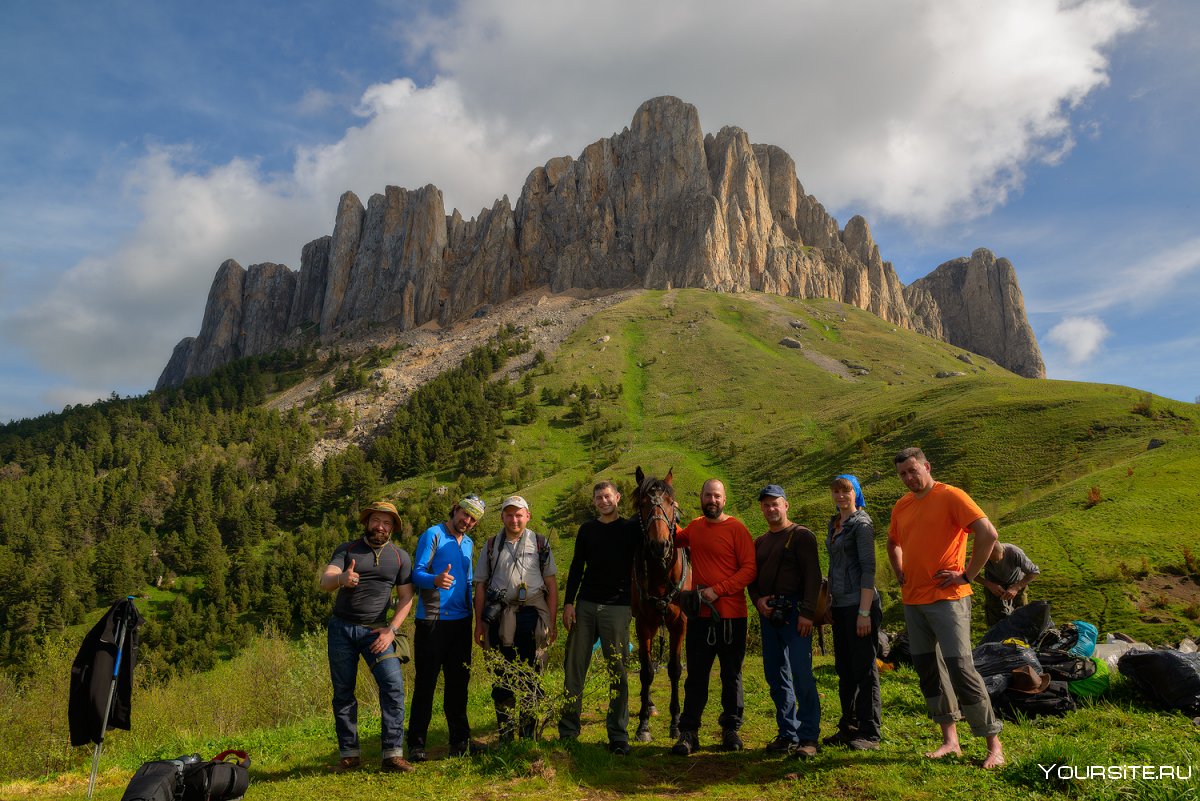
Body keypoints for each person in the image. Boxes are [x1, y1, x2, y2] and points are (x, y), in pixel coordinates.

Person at [887, 448, 1004, 769]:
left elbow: (988, 533)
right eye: (903, 474)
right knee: (929, 670)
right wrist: (899, 570)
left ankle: (993, 743)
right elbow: (892, 541)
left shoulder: (951, 495)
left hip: (948, 598)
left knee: (961, 668)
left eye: (913, 471)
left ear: (927, 466)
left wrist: (967, 574)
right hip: (914, 600)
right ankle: (950, 741)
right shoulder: (902, 505)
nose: (909, 478)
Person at [319, 500, 416, 773]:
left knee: (393, 685)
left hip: (378, 631)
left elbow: (407, 598)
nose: (381, 527)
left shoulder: (399, 557)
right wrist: (341, 580)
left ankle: (392, 755)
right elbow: (325, 581)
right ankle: (349, 755)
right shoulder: (347, 550)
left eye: (387, 523)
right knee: (343, 693)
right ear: (366, 522)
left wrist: (391, 630)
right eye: (376, 520)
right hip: (341, 629)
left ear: (393, 528)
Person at [671, 478, 757, 756]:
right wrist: (666, 508)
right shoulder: (695, 527)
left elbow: (749, 569)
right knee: (696, 675)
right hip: (700, 617)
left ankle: (731, 729)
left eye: (717, 496)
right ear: (701, 497)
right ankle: (689, 731)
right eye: (708, 495)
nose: (712, 500)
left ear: (724, 499)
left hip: (732, 616)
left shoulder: (737, 529)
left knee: (732, 675)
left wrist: (716, 591)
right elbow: (672, 537)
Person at [558, 481, 639, 753]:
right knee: (574, 667)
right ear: (593, 502)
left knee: (618, 670)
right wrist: (568, 602)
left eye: (607, 496)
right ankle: (568, 731)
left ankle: (618, 734)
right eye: (598, 498)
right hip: (586, 604)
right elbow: (576, 566)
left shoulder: (630, 529)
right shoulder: (587, 530)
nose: (603, 501)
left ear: (617, 497)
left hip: (617, 606)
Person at [407, 495, 487, 762]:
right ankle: (417, 745)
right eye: (465, 514)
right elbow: (416, 573)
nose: (467, 521)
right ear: (455, 510)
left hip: (461, 623)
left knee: (458, 685)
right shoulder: (434, 534)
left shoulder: (469, 543)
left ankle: (460, 743)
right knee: (426, 684)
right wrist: (435, 580)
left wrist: (476, 619)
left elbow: (467, 582)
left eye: (473, 519)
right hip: (432, 620)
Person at [474, 495, 559, 741]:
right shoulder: (491, 545)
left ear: (527, 516)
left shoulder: (540, 543)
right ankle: (506, 735)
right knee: (502, 674)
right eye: (509, 514)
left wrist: (551, 623)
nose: (514, 519)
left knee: (531, 675)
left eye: (519, 514)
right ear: (502, 517)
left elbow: (552, 586)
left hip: (533, 616)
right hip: (500, 617)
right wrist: (479, 624)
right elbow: (480, 586)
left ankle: (529, 733)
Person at [747, 485, 822, 759]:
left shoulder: (801, 536)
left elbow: (813, 576)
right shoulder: (760, 542)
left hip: (796, 613)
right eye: (766, 505)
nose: (770, 509)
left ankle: (809, 738)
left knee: (802, 674)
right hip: (769, 615)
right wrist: (758, 601)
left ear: (786, 505)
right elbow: (751, 580)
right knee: (775, 676)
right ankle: (787, 733)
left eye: (775, 504)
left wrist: (808, 613)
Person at [824, 474, 883, 751]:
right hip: (839, 604)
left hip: (860, 605)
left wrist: (864, 612)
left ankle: (870, 731)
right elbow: (833, 565)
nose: (840, 496)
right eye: (836, 491)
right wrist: (828, 601)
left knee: (864, 668)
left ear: (855, 493)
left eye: (845, 491)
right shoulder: (834, 523)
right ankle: (849, 725)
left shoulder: (862, 524)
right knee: (845, 669)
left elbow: (868, 569)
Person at [979, 542, 1041, 626]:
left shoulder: (1015, 552)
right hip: (994, 586)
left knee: (1022, 614)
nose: (996, 562)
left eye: (998, 559)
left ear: (1003, 552)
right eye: (992, 560)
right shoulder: (980, 555)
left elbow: (1034, 572)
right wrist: (989, 585)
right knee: (996, 619)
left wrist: (1016, 587)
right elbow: (970, 574)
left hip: (1017, 583)